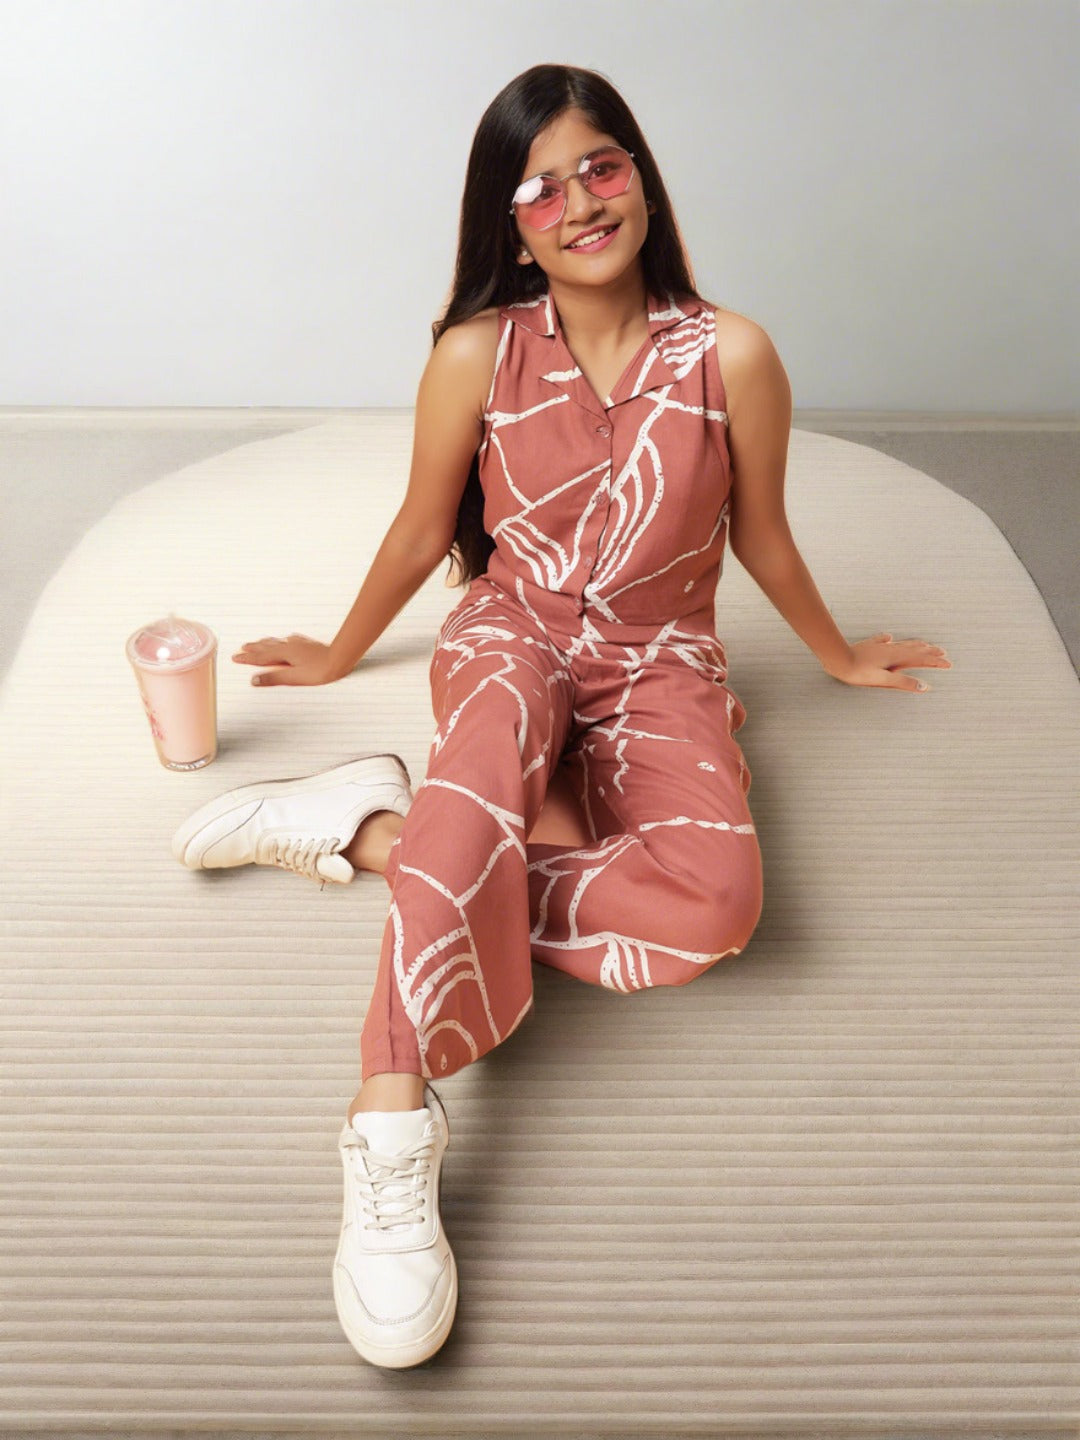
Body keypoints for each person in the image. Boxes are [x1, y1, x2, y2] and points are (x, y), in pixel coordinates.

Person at [171, 63, 951, 1370]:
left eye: (602, 167)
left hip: (661, 664)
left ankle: (379, 832)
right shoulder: (476, 354)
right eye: (543, 189)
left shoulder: (734, 355)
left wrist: (838, 653)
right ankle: (389, 1117)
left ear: (641, 176)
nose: (582, 202)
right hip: (513, 633)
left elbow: (761, 533)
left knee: (717, 911)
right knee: (486, 763)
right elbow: (424, 527)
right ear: (511, 224)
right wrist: (337, 650)